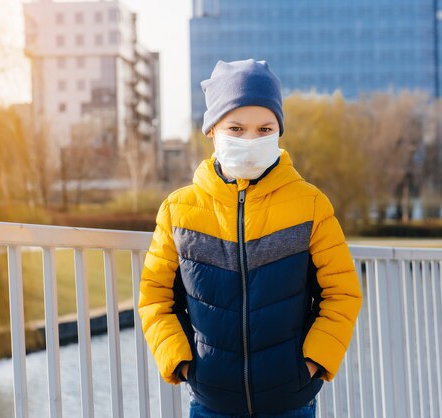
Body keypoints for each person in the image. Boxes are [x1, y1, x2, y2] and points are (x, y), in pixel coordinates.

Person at [138, 58, 362, 418]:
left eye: (264, 129)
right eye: (237, 128)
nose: (251, 139)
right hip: (211, 402)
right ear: (213, 130)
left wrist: (313, 363)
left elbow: (343, 293)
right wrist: (182, 363)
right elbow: (154, 298)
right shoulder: (177, 210)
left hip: (291, 401)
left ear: (278, 131)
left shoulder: (311, 205)